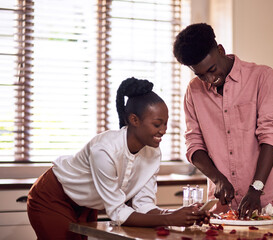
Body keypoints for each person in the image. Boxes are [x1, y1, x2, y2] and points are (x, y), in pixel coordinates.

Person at [27, 77, 209, 240]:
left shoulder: (153, 152)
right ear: (134, 120)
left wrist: (179, 215)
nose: (163, 130)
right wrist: (170, 218)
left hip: (86, 204)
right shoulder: (104, 150)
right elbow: (118, 213)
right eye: (157, 124)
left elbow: (143, 204)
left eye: (165, 123)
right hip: (53, 197)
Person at [173, 23, 273, 219]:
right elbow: (193, 144)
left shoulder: (262, 77)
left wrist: (256, 189)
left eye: (212, 69)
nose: (210, 79)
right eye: (201, 75)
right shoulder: (193, 91)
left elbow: (270, 136)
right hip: (222, 208)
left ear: (221, 50)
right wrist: (217, 179)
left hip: (270, 203)